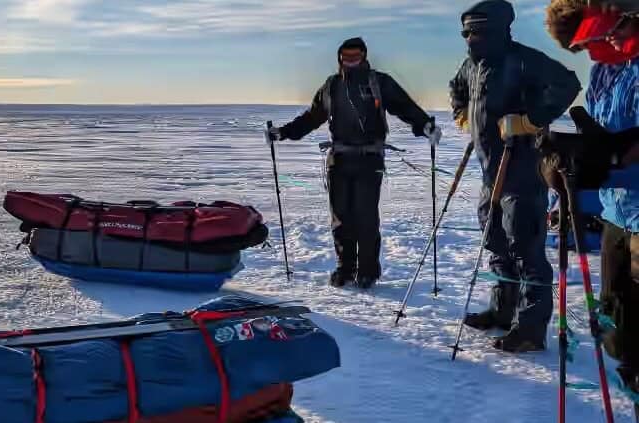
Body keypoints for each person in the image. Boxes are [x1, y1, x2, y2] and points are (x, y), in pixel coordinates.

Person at [451, 0, 581, 353]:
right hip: (490, 170)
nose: (472, 39)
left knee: (525, 247)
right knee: (496, 242)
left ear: (498, 30)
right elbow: (456, 89)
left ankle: (530, 328)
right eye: (468, 32)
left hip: (522, 167)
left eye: (479, 31)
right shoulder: (472, 66)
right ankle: (502, 309)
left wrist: (531, 119)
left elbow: (568, 84)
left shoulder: (524, 59)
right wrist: (462, 115)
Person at [269, 37, 442, 289]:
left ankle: (368, 271)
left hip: (369, 159)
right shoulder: (331, 86)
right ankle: (345, 268)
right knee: (341, 218)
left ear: (364, 56)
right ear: (339, 58)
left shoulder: (378, 82)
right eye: (346, 55)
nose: (351, 60)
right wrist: (283, 132)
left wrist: (424, 125)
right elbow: (312, 117)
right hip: (338, 160)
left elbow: (404, 106)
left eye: (356, 55)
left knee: (366, 217)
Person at [546, 0, 639, 393]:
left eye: (615, 30)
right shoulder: (605, 70)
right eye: (599, 37)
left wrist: (614, 159)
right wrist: (567, 170)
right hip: (617, 213)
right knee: (620, 334)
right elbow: (598, 140)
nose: (610, 41)